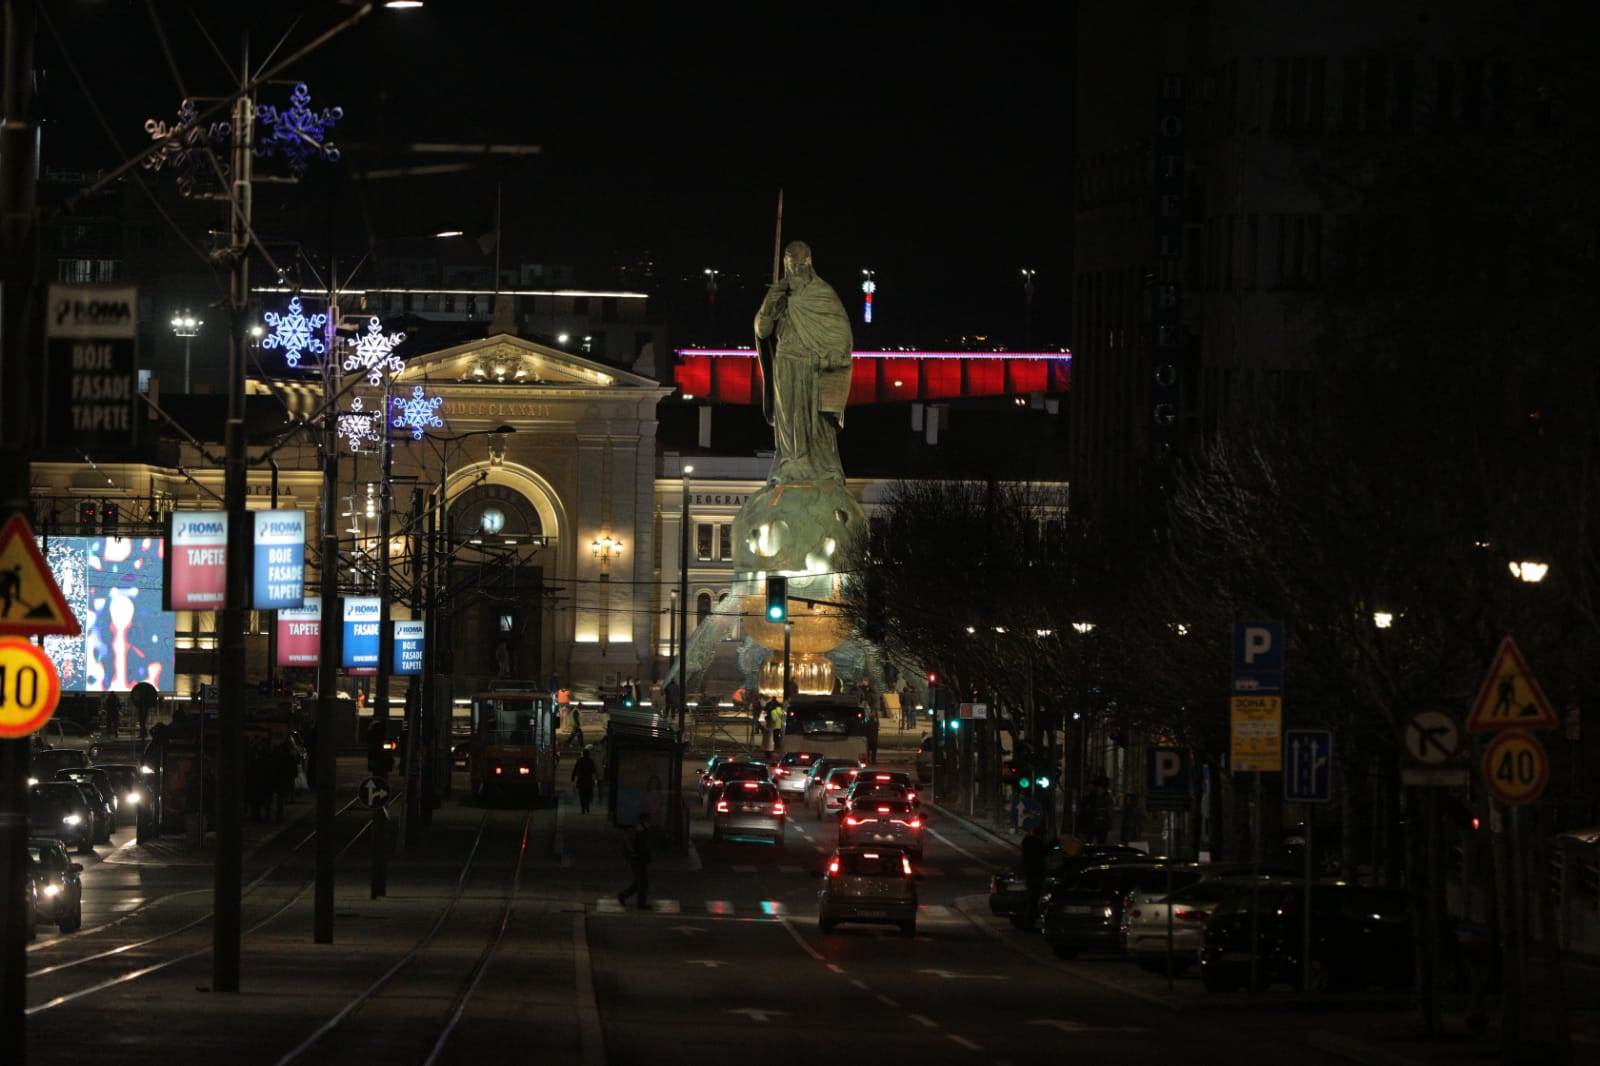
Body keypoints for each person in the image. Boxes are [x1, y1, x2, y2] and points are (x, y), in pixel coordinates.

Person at [753, 240, 854, 485]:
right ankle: (790, 462)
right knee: (788, 416)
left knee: (815, 423)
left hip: (813, 366)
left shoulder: (823, 294)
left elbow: (841, 334)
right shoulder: (780, 296)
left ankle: (820, 466)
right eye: (791, 264)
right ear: (786, 265)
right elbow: (762, 330)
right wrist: (770, 300)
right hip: (786, 363)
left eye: (800, 264)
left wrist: (831, 357)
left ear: (809, 263)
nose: (796, 270)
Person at [617, 810, 653, 909]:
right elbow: (634, 845)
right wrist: (635, 855)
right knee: (642, 882)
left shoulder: (642, 829)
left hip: (638, 858)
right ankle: (640, 903)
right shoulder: (638, 830)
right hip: (637, 859)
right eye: (648, 819)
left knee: (639, 881)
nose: (649, 821)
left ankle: (623, 895)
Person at [1020, 823, 1048, 921]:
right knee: (1034, 899)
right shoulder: (1033, 843)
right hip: (1034, 874)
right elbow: (1043, 852)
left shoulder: (1028, 842)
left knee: (1034, 899)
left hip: (1031, 874)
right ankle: (1030, 921)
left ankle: (1031, 921)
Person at [1079, 777, 1112, 844]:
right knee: (1089, 842)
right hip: (1092, 824)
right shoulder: (1091, 797)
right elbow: (1084, 810)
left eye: (1101, 789)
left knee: (1101, 842)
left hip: (1102, 825)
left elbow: (1109, 812)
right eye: (1098, 788)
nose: (1099, 790)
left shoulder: (1106, 798)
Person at [572, 746, 598, 814]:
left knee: (582, 795)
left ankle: (583, 808)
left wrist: (573, 777)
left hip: (581, 780)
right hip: (588, 780)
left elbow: (575, 769)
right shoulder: (590, 761)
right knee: (588, 794)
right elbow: (594, 771)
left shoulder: (580, 760)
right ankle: (587, 806)